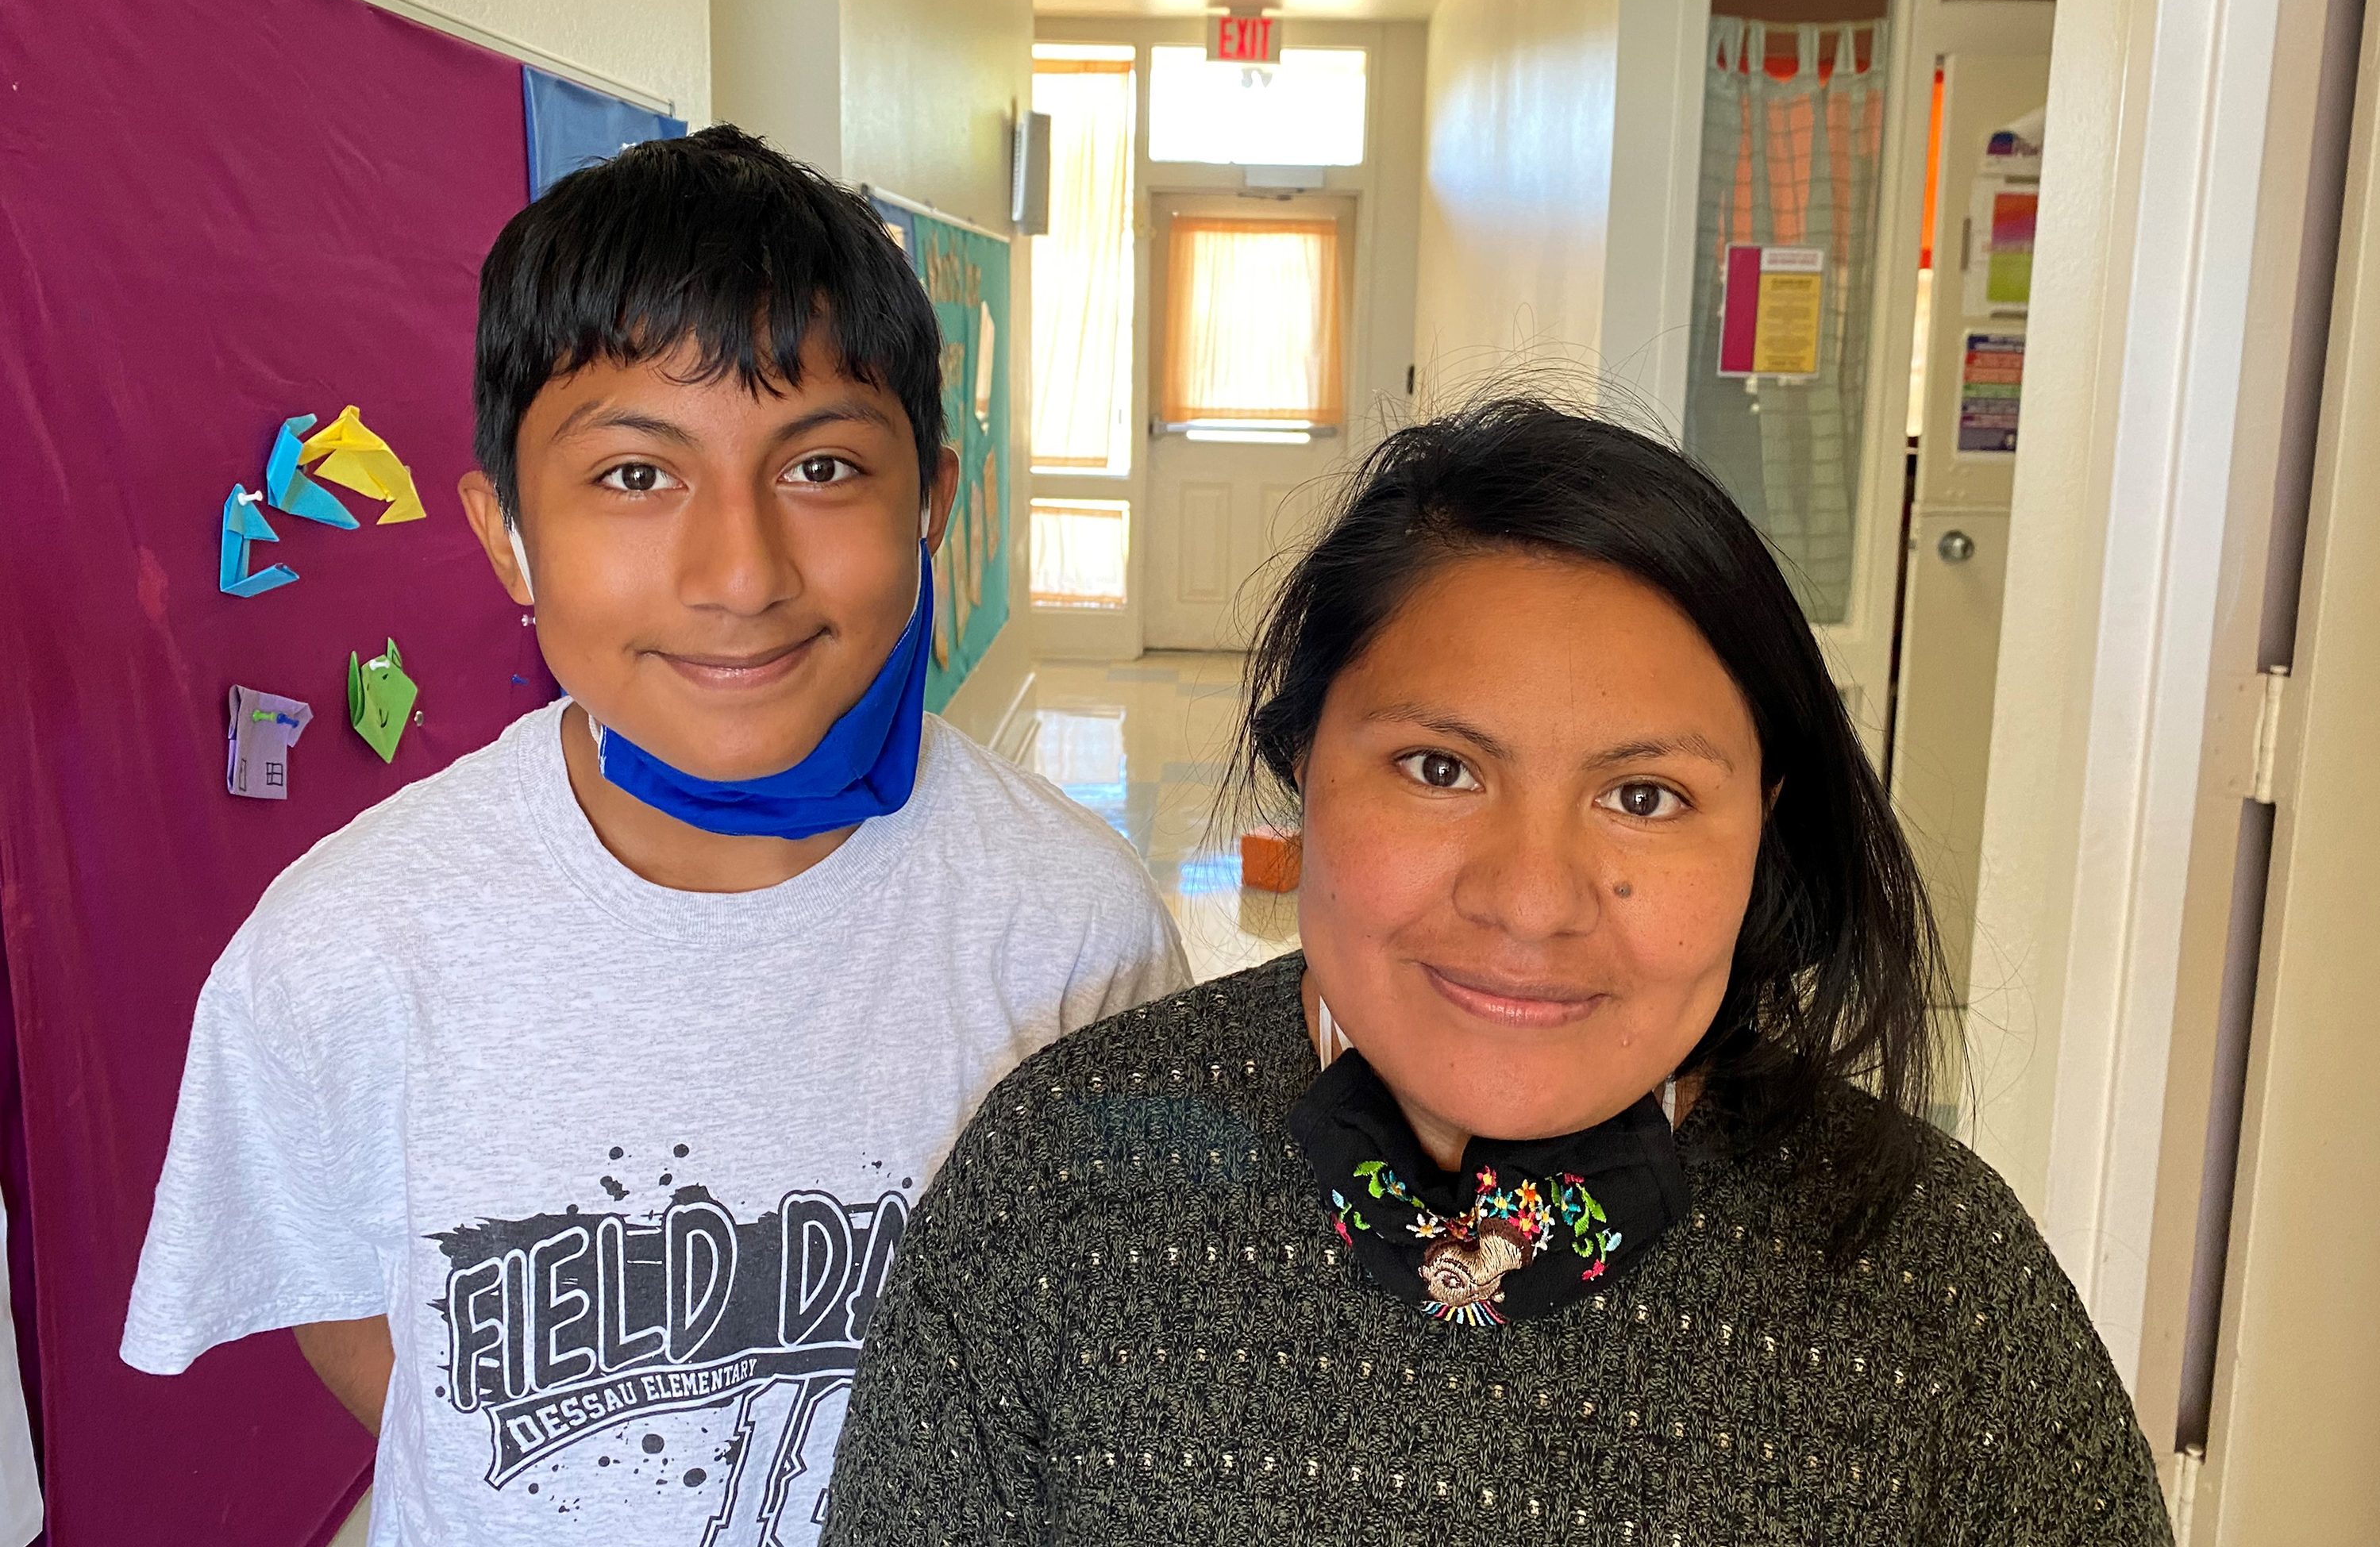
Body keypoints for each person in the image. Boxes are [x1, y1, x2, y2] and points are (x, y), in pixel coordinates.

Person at [821, 398, 2174, 1545]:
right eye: (1438, 768)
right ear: (1304, 770)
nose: (1530, 901)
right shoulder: (1066, 1181)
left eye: (1643, 796)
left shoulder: (1927, 1278)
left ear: (1765, 821)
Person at [121, 127, 1188, 1545]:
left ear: (930, 503)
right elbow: (355, 1317)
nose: (737, 573)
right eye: (635, 476)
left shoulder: (1070, 929)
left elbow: (1109, 1355)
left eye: (819, 470)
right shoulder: (347, 944)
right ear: (507, 536)